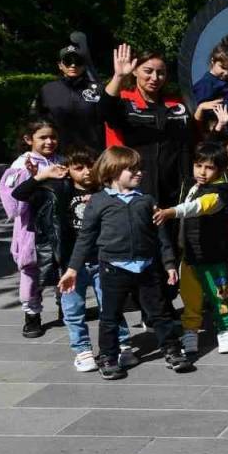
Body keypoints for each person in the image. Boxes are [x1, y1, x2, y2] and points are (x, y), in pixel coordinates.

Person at [59, 146, 192, 380]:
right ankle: (108, 357)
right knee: (110, 316)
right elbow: (85, 238)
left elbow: (161, 237)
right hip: (113, 269)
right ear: (113, 171)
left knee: (160, 313)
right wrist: (72, 270)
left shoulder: (146, 200)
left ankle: (172, 350)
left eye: (139, 168)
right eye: (132, 169)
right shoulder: (98, 201)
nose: (139, 173)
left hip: (147, 268)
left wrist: (169, 264)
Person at [11, 145, 137, 370]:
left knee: (111, 305)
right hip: (70, 263)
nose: (87, 172)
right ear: (67, 169)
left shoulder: (106, 189)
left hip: (103, 259)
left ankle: (122, 345)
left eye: (91, 166)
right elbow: (18, 194)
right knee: (73, 310)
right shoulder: (56, 189)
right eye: (79, 168)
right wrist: (42, 175)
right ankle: (83, 351)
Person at [152, 141, 228, 356]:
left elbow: (199, 206)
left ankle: (225, 330)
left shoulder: (220, 192)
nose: (202, 172)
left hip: (213, 256)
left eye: (209, 167)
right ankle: (190, 330)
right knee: (189, 298)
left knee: (219, 297)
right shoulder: (191, 185)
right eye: (198, 165)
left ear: (220, 169)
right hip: (189, 255)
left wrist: (171, 212)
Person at [100, 44, 194, 215]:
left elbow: (190, 142)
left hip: (174, 191)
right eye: (148, 71)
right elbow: (105, 109)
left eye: (161, 73)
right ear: (135, 71)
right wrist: (119, 76)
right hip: (134, 188)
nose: (155, 78)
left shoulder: (177, 105)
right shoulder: (125, 102)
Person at [0, 119, 62, 337]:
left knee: (62, 267)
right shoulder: (20, 166)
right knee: (31, 273)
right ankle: (32, 315)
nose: (49, 141)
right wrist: (34, 178)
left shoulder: (61, 161)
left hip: (59, 227)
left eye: (53, 137)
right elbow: (14, 205)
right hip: (32, 230)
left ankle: (66, 307)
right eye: (43, 137)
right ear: (28, 139)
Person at [35, 43, 106, 152]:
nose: (73, 65)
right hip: (57, 152)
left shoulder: (98, 89)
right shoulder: (48, 90)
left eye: (78, 61)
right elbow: (38, 120)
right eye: (68, 61)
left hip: (92, 152)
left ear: (84, 65)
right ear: (60, 65)